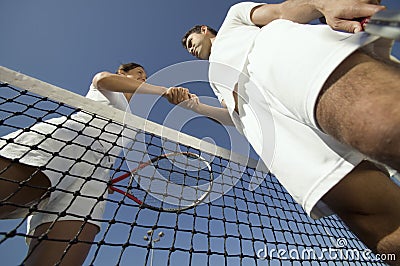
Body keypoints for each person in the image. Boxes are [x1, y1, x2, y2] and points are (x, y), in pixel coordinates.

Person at [180, 0, 400, 263]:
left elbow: (282, 11)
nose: (190, 48)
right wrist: (196, 107)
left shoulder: (233, 19)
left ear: (204, 29)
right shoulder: (214, 81)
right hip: (273, 132)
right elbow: (232, 116)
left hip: (283, 63)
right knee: (379, 224)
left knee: (386, 125)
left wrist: (324, 5)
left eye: (190, 41)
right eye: (187, 49)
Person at [0, 62, 189, 265]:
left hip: (95, 180)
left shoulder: (134, 120)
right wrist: (163, 91)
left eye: (145, 75)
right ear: (122, 73)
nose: (144, 77)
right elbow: (102, 79)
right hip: (67, 142)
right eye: (139, 73)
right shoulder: (107, 86)